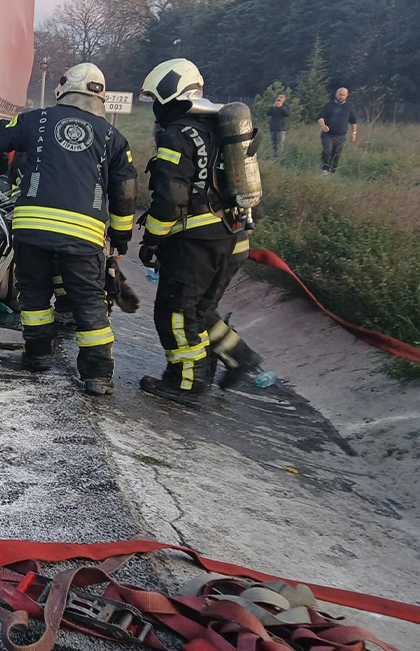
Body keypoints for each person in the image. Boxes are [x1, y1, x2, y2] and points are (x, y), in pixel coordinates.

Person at [0, 63, 137, 395]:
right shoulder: (113, 138)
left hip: (32, 228)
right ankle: (97, 375)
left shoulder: (36, 120)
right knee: (88, 301)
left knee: (34, 293)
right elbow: (125, 191)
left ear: (63, 89)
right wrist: (121, 237)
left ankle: (37, 355)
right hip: (84, 234)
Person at [137, 58, 264, 404]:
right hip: (235, 237)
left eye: (156, 99)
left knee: (176, 312)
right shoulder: (219, 127)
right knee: (200, 311)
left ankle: (186, 382)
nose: (156, 107)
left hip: (197, 244)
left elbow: (170, 198)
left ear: (171, 94)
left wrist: (152, 239)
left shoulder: (177, 135)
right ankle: (239, 357)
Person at [317, 87, 357, 174]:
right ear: (336, 94)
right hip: (328, 134)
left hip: (341, 136)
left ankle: (332, 171)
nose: (341, 97)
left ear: (346, 95)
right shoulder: (329, 105)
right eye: (340, 94)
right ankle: (325, 170)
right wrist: (323, 125)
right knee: (327, 151)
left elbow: (353, 121)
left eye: (343, 95)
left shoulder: (349, 107)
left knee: (336, 154)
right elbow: (320, 117)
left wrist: (354, 133)